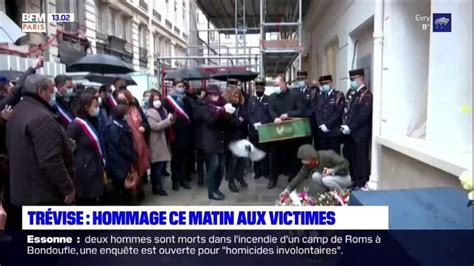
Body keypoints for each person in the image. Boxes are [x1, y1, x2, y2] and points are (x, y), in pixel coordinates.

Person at [6, 74, 76, 227]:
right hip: (43, 195)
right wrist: (68, 188)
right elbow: (51, 160)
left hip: (25, 192)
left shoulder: (18, 111)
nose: (53, 95)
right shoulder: (41, 117)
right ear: (40, 91)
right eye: (51, 91)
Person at [196, 84, 234, 200]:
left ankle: (216, 189)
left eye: (217, 94)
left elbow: (227, 122)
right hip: (209, 139)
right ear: (208, 95)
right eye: (213, 94)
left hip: (221, 139)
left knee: (221, 167)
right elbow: (209, 121)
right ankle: (211, 191)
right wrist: (220, 112)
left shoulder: (223, 104)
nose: (215, 97)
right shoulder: (203, 106)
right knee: (214, 165)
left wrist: (228, 114)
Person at [267, 74, 306, 189]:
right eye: (274, 85)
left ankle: (293, 178)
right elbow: (270, 109)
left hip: (292, 131)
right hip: (277, 131)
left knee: (293, 156)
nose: (276, 87)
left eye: (277, 85)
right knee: (274, 156)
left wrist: (288, 115)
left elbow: (301, 110)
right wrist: (275, 118)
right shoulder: (273, 96)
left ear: (284, 83)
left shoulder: (295, 95)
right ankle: (273, 179)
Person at [67, 93, 104, 205]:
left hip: (94, 166)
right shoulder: (76, 125)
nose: (97, 109)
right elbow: (68, 148)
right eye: (95, 106)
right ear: (86, 107)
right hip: (84, 169)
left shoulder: (91, 121)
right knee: (87, 201)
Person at [341, 68, 373, 190]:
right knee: (351, 157)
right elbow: (349, 111)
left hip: (360, 134)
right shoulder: (355, 94)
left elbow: (363, 115)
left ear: (360, 78)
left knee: (361, 159)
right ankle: (355, 181)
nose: (352, 82)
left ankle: (361, 182)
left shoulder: (366, 95)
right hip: (351, 134)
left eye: (353, 80)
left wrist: (350, 126)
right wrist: (345, 125)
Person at [117, 90, 150, 199]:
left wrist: (143, 127)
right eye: (119, 98)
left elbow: (145, 122)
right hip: (127, 143)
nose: (121, 101)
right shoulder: (117, 111)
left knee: (139, 167)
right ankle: (129, 190)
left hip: (139, 141)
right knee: (129, 168)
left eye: (123, 98)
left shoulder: (135, 109)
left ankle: (139, 189)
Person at [283, 144, 351, 194]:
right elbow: (300, 176)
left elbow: (345, 163)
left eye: (307, 161)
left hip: (345, 177)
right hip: (332, 177)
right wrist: (288, 189)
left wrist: (333, 170)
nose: (306, 164)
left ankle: (342, 194)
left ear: (312, 157)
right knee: (315, 175)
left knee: (326, 180)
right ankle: (330, 191)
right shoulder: (309, 164)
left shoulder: (327, 155)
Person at [163, 78, 193, 191]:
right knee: (175, 159)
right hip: (175, 134)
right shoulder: (167, 101)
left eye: (183, 86)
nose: (182, 88)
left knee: (185, 158)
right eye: (179, 86)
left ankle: (182, 179)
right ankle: (174, 181)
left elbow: (190, 115)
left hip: (186, 133)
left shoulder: (187, 100)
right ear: (174, 87)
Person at [105, 104, 137, 204]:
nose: (128, 115)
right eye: (126, 113)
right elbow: (118, 145)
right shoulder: (113, 127)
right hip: (118, 161)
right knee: (119, 185)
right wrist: (131, 155)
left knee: (125, 184)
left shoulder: (121, 123)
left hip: (124, 159)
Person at [146, 90, 174, 196]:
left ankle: (157, 186)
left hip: (164, 139)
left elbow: (167, 124)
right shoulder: (150, 112)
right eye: (155, 99)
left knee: (161, 166)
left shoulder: (163, 110)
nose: (157, 101)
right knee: (157, 166)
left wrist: (171, 119)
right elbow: (154, 127)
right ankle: (157, 187)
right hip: (156, 142)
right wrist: (167, 121)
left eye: (158, 99)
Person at [223, 87, 249, 192]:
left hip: (242, 136)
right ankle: (231, 182)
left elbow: (245, 117)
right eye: (234, 95)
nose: (236, 97)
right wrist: (239, 120)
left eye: (238, 95)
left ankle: (240, 177)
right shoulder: (228, 107)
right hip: (231, 137)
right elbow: (231, 122)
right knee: (233, 160)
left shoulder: (242, 106)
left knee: (243, 159)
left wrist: (240, 120)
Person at [314, 75, 345, 154]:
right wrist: (321, 124)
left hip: (333, 132)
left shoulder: (338, 95)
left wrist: (328, 126)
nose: (324, 86)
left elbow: (338, 112)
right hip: (321, 133)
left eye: (326, 83)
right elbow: (316, 111)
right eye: (322, 84)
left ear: (331, 83)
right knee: (323, 157)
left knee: (334, 157)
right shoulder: (319, 96)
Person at [247, 78, 272, 180]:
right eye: (257, 88)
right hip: (253, 130)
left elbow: (270, 114)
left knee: (265, 151)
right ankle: (257, 172)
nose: (259, 90)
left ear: (264, 89)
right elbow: (249, 114)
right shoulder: (251, 100)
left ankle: (265, 172)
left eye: (261, 88)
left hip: (264, 129)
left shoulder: (268, 99)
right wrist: (254, 123)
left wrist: (262, 123)